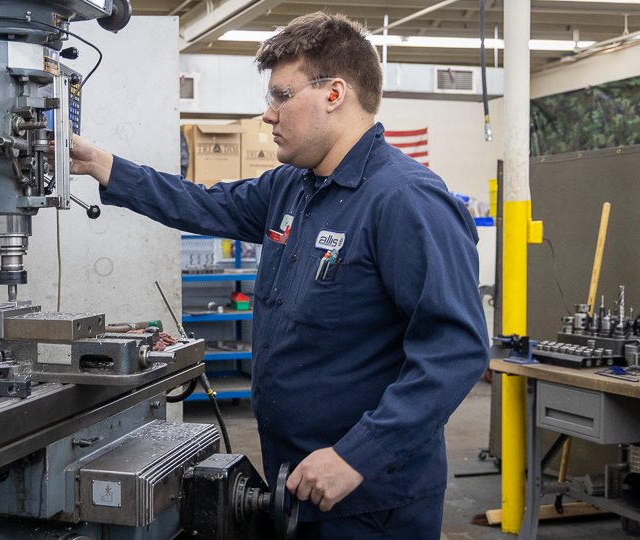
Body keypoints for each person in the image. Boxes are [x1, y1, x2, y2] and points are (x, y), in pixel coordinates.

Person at [68, 12, 489, 539]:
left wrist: (357, 456)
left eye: (280, 96)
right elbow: (201, 203)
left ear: (334, 93)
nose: (268, 115)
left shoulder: (406, 200)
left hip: (368, 500)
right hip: (294, 483)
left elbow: (455, 349)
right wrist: (101, 164)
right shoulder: (292, 187)